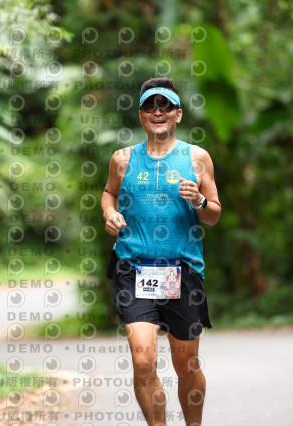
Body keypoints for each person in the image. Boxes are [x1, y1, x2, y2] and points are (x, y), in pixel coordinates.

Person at [101, 77, 221, 426]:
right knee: (143, 361)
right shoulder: (122, 159)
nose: (158, 112)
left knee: (187, 365)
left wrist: (199, 201)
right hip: (133, 268)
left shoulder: (197, 158)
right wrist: (110, 213)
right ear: (141, 115)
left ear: (178, 114)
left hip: (183, 272)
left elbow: (214, 214)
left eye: (165, 106)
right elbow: (109, 193)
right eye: (150, 106)